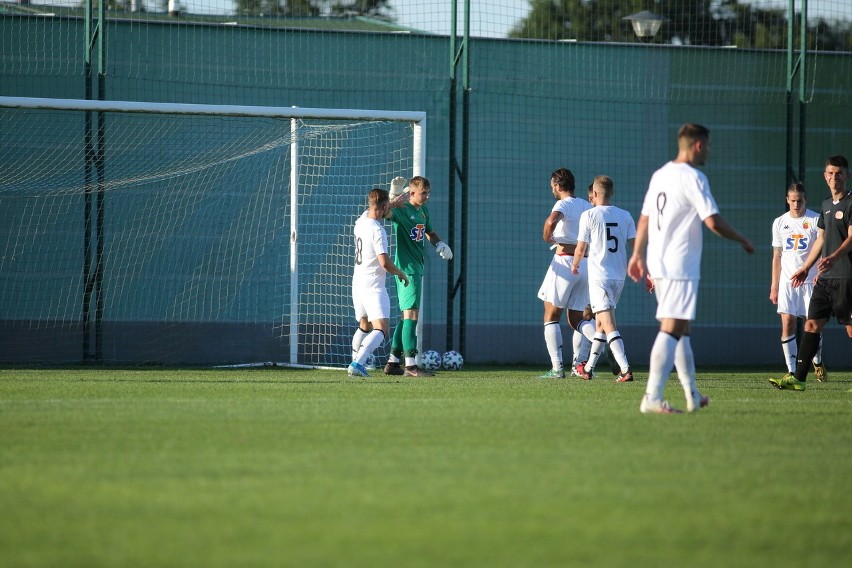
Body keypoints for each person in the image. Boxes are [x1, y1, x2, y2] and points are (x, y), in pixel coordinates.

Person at [627, 123, 754, 413]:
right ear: (698, 145)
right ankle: (652, 397)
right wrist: (742, 238)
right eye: (708, 145)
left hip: (660, 263)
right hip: (679, 264)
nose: (709, 150)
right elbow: (713, 221)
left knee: (682, 328)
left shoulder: (661, 174)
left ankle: (692, 395)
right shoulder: (694, 177)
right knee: (672, 327)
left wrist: (637, 255)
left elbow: (645, 217)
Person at [770, 155, 852, 391]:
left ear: (846, 175)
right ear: (825, 176)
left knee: (848, 328)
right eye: (829, 173)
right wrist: (804, 269)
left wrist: (833, 258)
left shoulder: (847, 204)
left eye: (838, 173)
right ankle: (797, 376)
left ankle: (810, 367)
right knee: (811, 325)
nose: (833, 177)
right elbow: (822, 240)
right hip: (819, 279)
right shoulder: (826, 206)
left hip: (845, 276)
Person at [382, 176, 453, 377]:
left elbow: (429, 232)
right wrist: (392, 194)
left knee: (406, 317)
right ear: (411, 193)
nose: (427, 197)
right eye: (424, 193)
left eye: (428, 193)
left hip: (416, 268)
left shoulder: (422, 210)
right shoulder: (402, 210)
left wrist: (440, 243)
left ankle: (393, 362)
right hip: (407, 270)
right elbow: (384, 212)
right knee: (412, 316)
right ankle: (411, 366)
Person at [571, 175, 637, 382]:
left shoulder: (589, 215)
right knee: (600, 324)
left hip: (600, 277)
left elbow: (581, 247)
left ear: (596, 194)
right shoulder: (625, 215)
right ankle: (588, 368)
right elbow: (635, 248)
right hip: (619, 277)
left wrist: (574, 264)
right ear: (612, 193)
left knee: (609, 326)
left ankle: (625, 369)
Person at [537, 167, 593, 378]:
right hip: (585, 263)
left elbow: (550, 221)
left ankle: (557, 368)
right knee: (577, 318)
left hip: (565, 262)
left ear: (559, 186)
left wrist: (547, 237)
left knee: (551, 314)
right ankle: (602, 339)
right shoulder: (586, 205)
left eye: (553, 186)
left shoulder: (563, 203)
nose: (552, 189)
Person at [349, 188, 410, 377]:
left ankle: (354, 360)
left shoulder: (361, 221)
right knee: (382, 328)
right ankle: (358, 364)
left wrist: (393, 202)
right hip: (373, 286)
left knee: (364, 325)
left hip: (357, 283)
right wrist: (400, 273)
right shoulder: (377, 230)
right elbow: (384, 262)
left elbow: (377, 208)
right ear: (383, 208)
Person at [769, 182, 826, 380]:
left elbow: (822, 249)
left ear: (805, 200)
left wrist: (819, 272)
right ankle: (792, 370)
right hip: (787, 282)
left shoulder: (815, 220)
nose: (796, 205)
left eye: (799, 201)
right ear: (787, 201)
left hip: (810, 282)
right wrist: (774, 286)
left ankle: (817, 361)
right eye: (792, 201)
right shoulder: (779, 222)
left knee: (811, 325)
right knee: (787, 323)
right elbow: (777, 256)